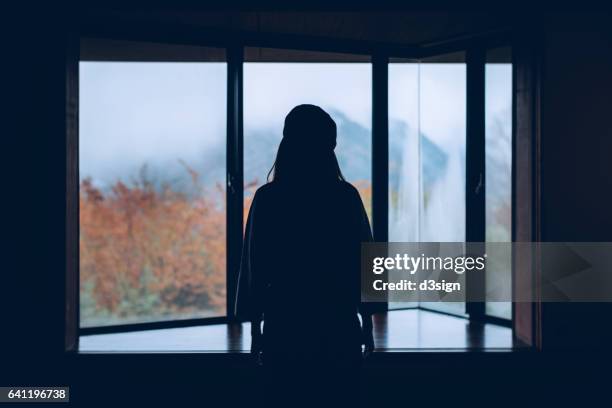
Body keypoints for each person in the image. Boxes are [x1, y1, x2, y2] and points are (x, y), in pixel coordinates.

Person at [235, 104, 375, 406]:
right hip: (338, 325)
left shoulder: (269, 199)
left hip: (285, 324)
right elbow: (365, 263)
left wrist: (255, 329)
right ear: (329, 148)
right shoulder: (345, 197)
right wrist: (368, 324)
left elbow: (255, 267)